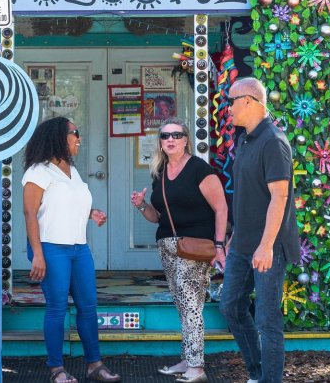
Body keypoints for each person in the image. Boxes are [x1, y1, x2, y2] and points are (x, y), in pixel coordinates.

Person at [22, 117, 120, 383]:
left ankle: (94, 365)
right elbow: (30, 214)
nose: (79, 138)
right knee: (57, 308)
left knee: (88, 307)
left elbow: (65, 204)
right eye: (75, 133)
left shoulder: (72, 171)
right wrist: (37, 254)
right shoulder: (38, 171)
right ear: (58, 136)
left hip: (79, 248)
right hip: (51, 248)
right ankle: (56, 369)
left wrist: (91, 213)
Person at [130, 118, 228, 383]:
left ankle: (196, 367)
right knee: (182, 305)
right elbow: (157, 217)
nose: (170, 140)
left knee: (191, 305)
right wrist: (141, 205)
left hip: (194, 246)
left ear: (186, 140)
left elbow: (221, 208)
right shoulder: (160, 172)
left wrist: (219, 245)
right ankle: (188, 359)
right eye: (165, 136)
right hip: (168, 246)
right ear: (160, 142)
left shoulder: (199, 169)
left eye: (176, 135)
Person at [219, 78, 298, 383]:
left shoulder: (273, 142)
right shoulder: (245, 140)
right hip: (242, 244)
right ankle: (257, 374)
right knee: (231, 307)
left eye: (231, 101)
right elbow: (248, 195)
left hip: (268, 246)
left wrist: (266, 246)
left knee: (267, 320)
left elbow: (280, 196)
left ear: (249, 101)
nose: (228, 108)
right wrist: (234, 236)